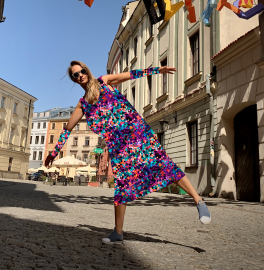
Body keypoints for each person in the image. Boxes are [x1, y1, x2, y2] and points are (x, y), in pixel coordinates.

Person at [45, 61, 211, 245]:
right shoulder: (83, 105)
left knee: (165, 166)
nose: (81, 75)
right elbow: (68, 128)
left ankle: (199, 201)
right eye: (76, 75)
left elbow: (131, 75)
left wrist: (158, 70)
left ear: (87, 71)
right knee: (122, 185)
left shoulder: (104, 82)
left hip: (138, 134)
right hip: (118, 146)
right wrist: (54, 152)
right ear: (74, 80)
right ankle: (118, 232)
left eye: (82, 71)